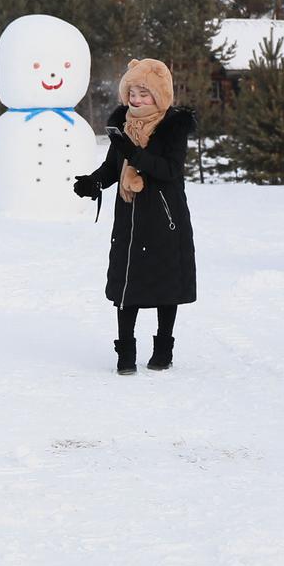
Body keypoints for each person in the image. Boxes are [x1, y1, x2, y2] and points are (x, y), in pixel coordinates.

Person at [72, 58, 198, 375]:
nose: (136, 99)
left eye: (144, 93)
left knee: (166, 285)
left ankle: (163, 351)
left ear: (159, 95)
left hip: (165, 220)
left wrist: (133, 152)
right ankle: (125, 354)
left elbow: (169, 171)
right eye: (132, 93)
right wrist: (93, 182)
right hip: (129, 220)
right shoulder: (124, 125)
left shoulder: (173, 127)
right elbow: (112, 167)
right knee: (126, 287)